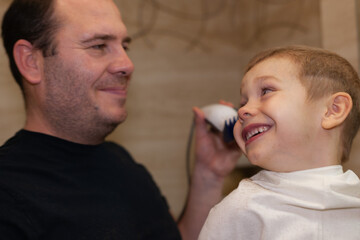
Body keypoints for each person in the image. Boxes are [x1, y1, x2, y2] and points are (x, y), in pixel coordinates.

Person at [0, 0, 240, 239]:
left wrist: (209, 176)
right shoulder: (9, 192)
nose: (127, 64)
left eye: (124, 46)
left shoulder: (121, 162)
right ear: (31, 62)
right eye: (98, 46)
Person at [198, 45, 360, 239]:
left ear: (333, 110)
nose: (242, 111)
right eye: (243, 103)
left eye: (266, 91)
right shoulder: (240, 210)